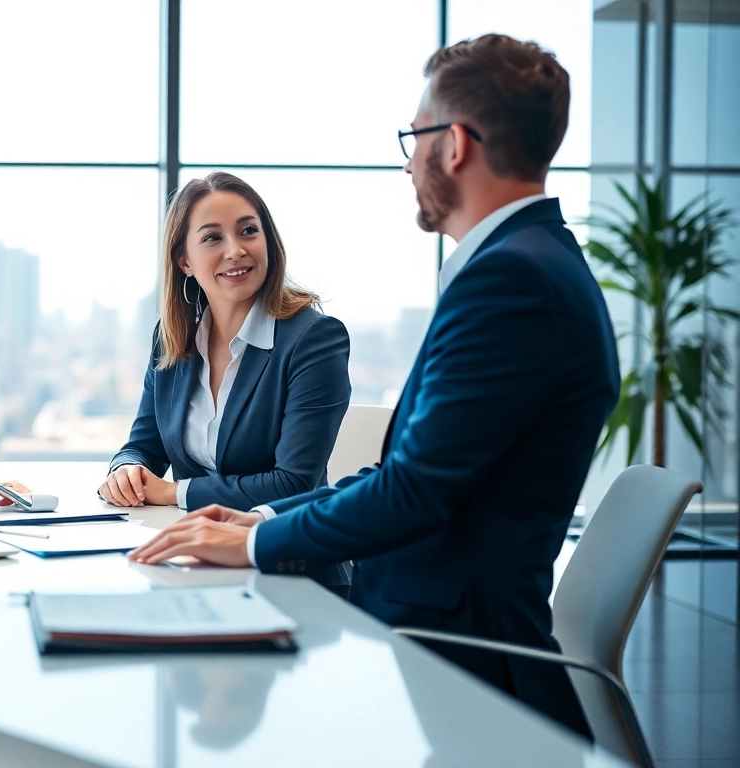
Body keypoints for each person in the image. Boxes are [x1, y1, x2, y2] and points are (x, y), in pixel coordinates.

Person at [129, 34, 618, 740]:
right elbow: (406, 474)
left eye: (414, 138)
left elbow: (412, 494)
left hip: (449, 657)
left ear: (454, 146)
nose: (409, 162)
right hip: (426, 631)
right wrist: (260, 522)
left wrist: (253, 545)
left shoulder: (512, 281)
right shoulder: (525, 264)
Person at [0, 171, 353, 595]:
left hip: (291, 573)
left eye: (248, 231)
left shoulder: (313, 339)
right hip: (193, 568)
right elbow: (144, 445)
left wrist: (173, 492)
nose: (235, 250)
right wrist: (126, 471)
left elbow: (292, 484)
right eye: (213, 238)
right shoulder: (173, 337)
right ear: (184, 260)